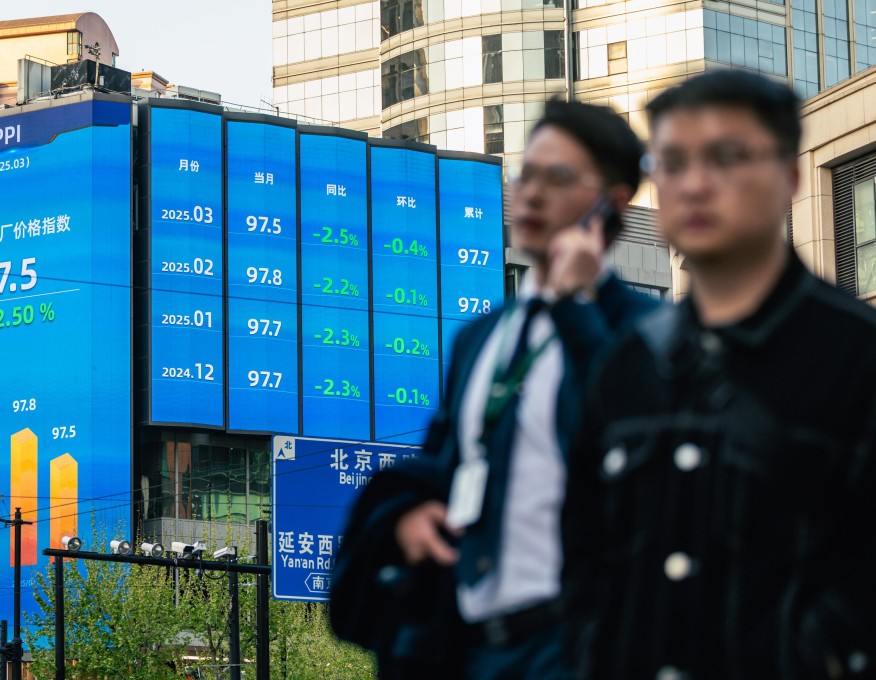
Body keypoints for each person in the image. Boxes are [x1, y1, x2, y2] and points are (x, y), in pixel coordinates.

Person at [562, 69, 876, 679]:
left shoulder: (856, 356)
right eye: (673, 163)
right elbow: (580, 553)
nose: (696, 185)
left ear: (789, 176)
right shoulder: (627, 367)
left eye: (727, 158)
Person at [329, 100, 658, 679]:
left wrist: (576, 308)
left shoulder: (645, 331)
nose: (530, 194)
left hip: (576, 645)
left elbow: (632, 448)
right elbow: (442, 461)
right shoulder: (482, 337)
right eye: (526, 174)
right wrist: (408, 514)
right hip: (465, 645)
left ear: (614, 200)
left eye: (557, 178)